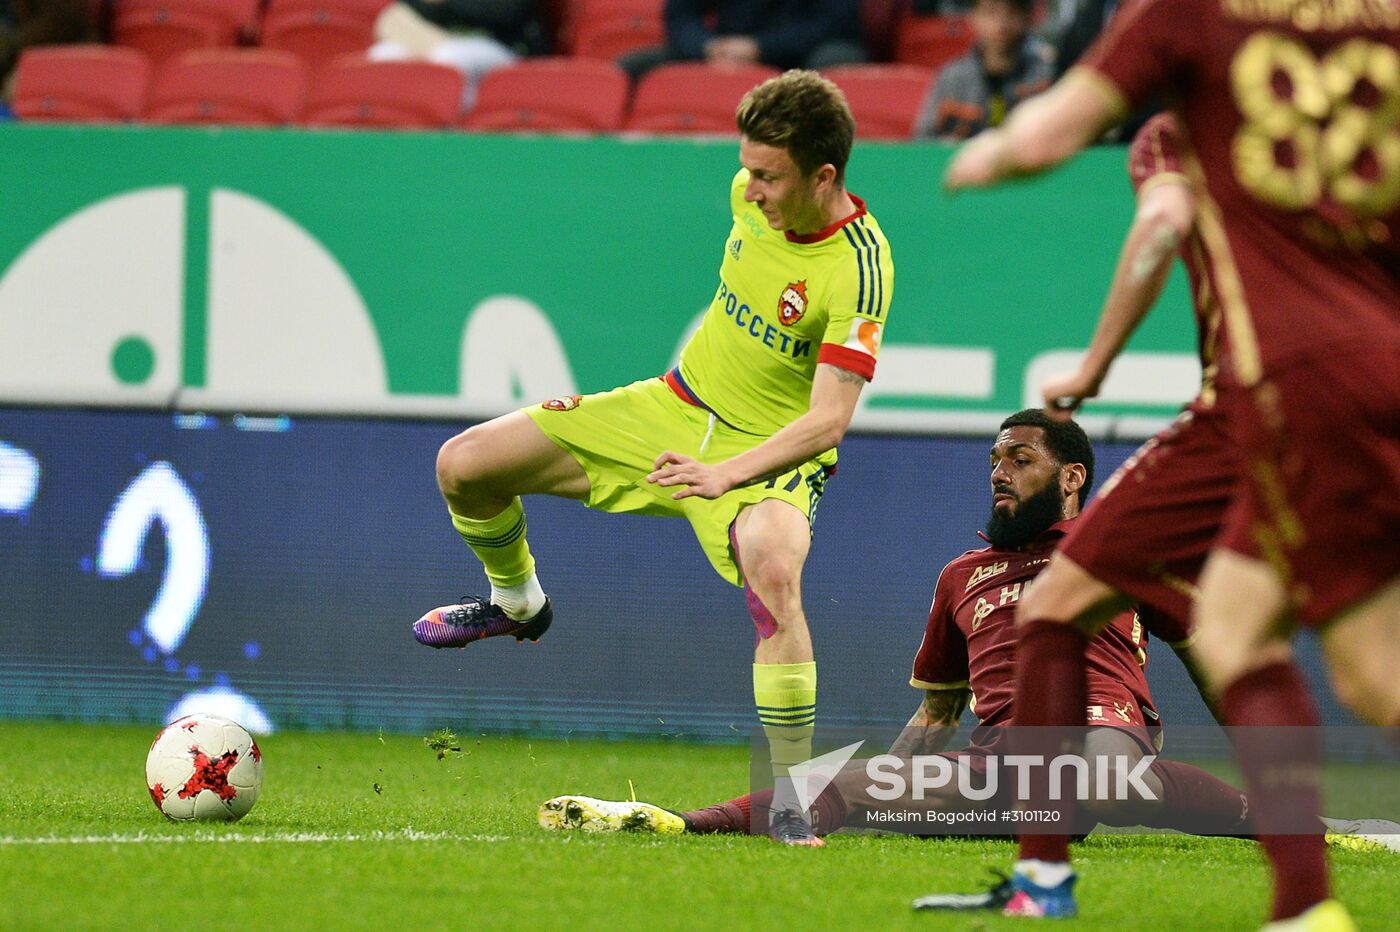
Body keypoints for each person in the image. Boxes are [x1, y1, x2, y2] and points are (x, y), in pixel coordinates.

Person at [936, 3, 1400, 926]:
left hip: (1282, 387)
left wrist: (993, 154)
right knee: (1227, 632)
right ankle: (1296, 908)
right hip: (1345, 378)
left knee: (1372, 676)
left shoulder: (1188, 35)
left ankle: (1052, 886)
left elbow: (1122, 193)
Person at [536, 411, 1399, 852]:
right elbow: (941, 713)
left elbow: (1219, 660)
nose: (998, 472)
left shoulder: (1128, 556)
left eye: (1017, 460)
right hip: (1005, 772)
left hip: (1103, 743)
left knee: (1096, 769)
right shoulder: (962, 577)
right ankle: (676, 823)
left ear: (1071, 480)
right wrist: (888, 785)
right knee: (849, 782)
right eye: (993, 460)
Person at [413, 70, 894, 847]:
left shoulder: (859, 269)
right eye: (751, 168)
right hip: (669, 409)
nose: (753, 186)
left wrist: (727, 476)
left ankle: (792, 800)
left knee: (776, 570)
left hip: (764, 458)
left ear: (825, 175)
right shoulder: (749, 191)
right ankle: (518, 602)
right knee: (464, 465)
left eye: (770, 175)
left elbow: (829, 422)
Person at [618, 0, 866, 81]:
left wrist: (760, 48)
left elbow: (834, 23)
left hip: (803, 52)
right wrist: (706, 47)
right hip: (724, 48)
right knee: (632, 67)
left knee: (836, 61)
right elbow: (681, 14)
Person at [914, 0, 1054, 140]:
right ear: (973, 16)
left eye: (1012, 13)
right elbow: (923, 140)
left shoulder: (1047, 73)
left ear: (1028, 17)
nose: (1001, 24)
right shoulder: (951, 77)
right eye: (990, 12)